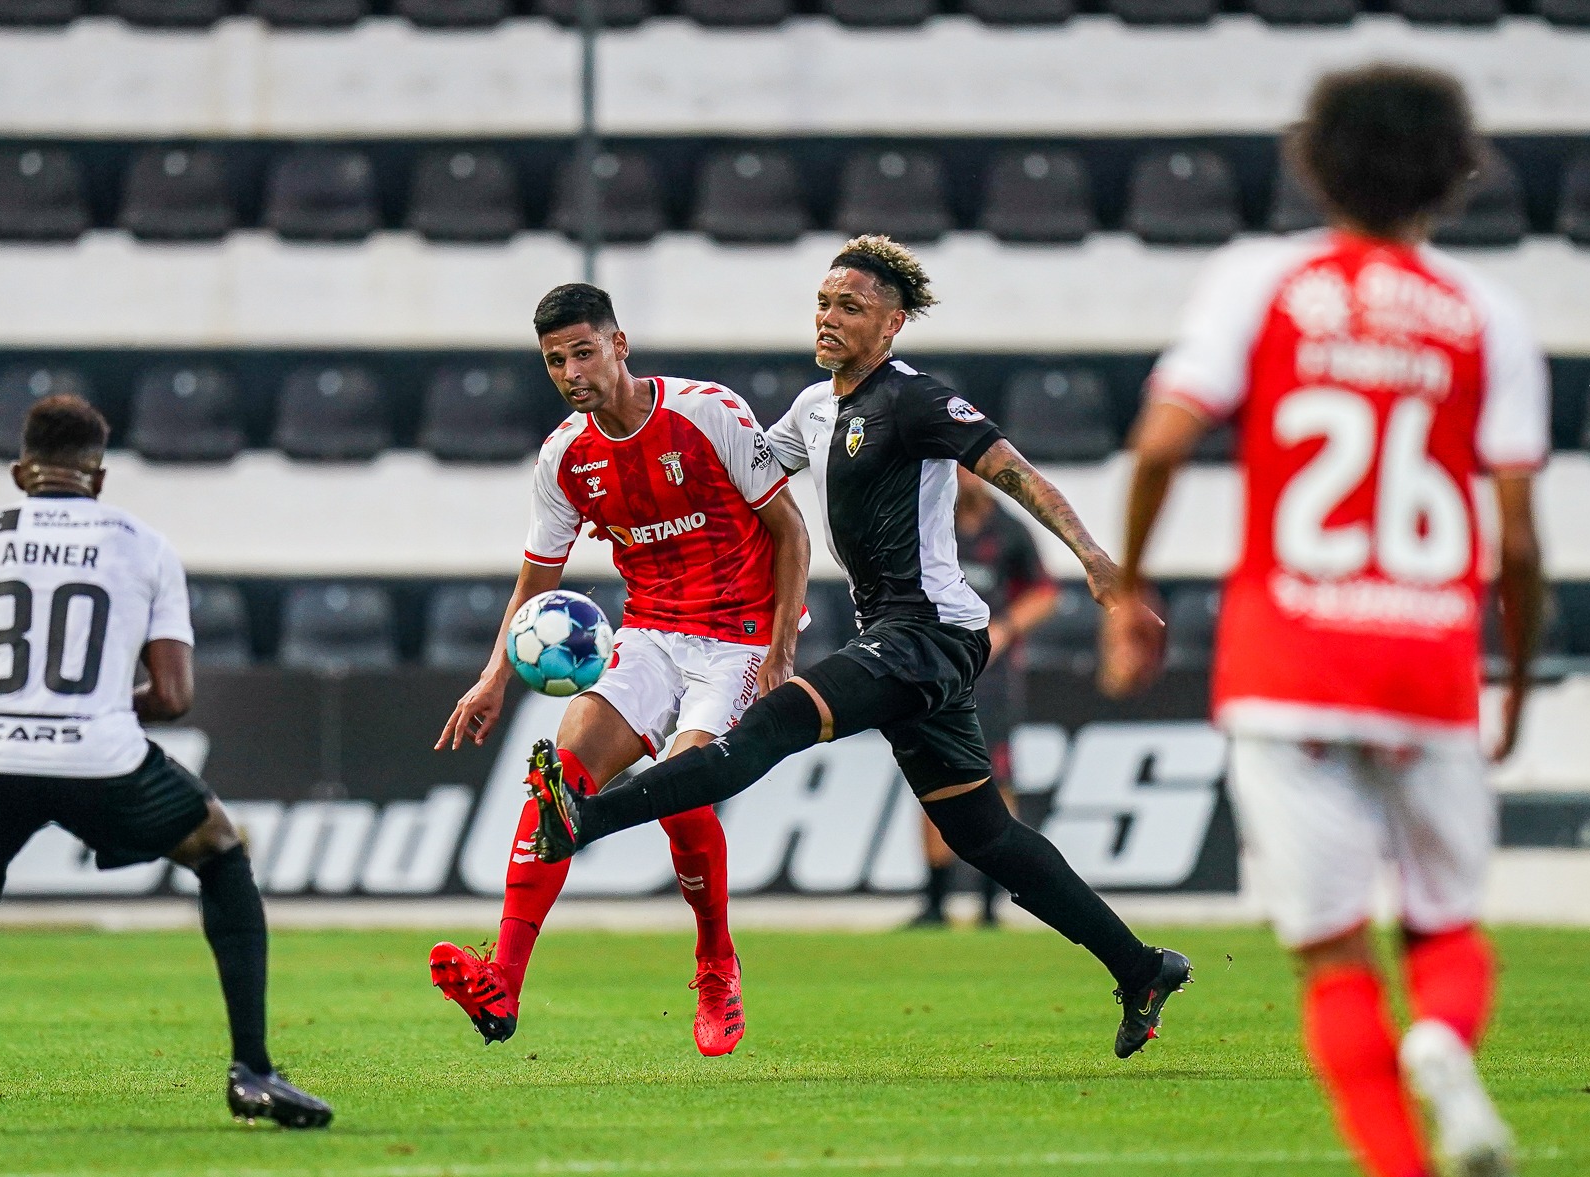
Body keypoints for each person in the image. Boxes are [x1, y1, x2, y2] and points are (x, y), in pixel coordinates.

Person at [523, 237, 1192, 1060]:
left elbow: (1016, 473)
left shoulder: (914, 399)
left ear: (892, 324)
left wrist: (1092, 557)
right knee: (986, 836)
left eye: (851, 307)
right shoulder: (811, 408)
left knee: (768, 726)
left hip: (930, 633)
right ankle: (1142, 967)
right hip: (896, 639)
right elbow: (735, 477)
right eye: (823, 303)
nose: (828, 318)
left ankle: (584, 817)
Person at [1098, 65, 1543, 1177]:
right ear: (1454, 171)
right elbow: (1514, 540)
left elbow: (1160, 441)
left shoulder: (1260, 281)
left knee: (1333, 958)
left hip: (1285, 660)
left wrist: (1127, 592)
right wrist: (1513, 676)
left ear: (1313, 163)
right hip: (1424, 658)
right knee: (1442, 930)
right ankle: (1440, 1042)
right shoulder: (1484, 314)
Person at [0, 395, 332, 1135]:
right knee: (219, 848)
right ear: (100, 476)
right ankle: (252, 1071)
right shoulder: (144, 546)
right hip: (102, 761)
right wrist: (94, 709)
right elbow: (174, 696)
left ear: (20, 473)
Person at [430, 283, 811, 1057]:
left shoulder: (707, 412)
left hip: (738, 637)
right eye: (554, 361)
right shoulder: (564, 457)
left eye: (583, 352)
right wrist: (493, 677)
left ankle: (716, 963)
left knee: (680, 789)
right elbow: (535, 581)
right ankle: (503, 978)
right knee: (559, 775)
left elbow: (791, 530)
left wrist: (780, 651)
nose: (571, 372)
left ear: (619, 345)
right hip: (650, 632)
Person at [907, 465, 1057, 929]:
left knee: (998, 781)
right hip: (936, 678)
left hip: (992, 683)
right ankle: (935, 902)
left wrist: (1005, 629)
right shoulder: (928, 522)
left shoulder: (1009, 530)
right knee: (931, 780)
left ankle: (993, 902)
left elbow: (1044, 594)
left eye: (969, 467)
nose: (964, 477)